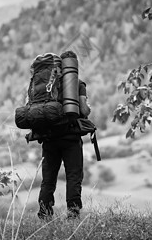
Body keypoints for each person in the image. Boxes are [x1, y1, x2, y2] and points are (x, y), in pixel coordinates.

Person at [37, 50, 91, 220]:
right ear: (74, 66)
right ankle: (73, 214)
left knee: (48, 179)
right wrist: (87, 110)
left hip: (49, 138)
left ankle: (45, 214)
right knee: (74, 176)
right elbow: (83, 109)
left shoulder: (47, 85)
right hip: (71, 139)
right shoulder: (78, 84)